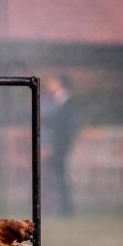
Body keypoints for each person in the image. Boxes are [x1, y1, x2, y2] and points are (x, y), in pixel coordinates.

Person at [41, 75, 78, 216]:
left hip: (59, 147)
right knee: (58, 177)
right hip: (57, 147)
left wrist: (56, 147)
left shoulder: (66, 103)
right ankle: (63, 208)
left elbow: (65, 127)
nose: (50, 85)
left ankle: (66, 209)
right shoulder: (58, 102)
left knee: (60, 178)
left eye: (53, 82)